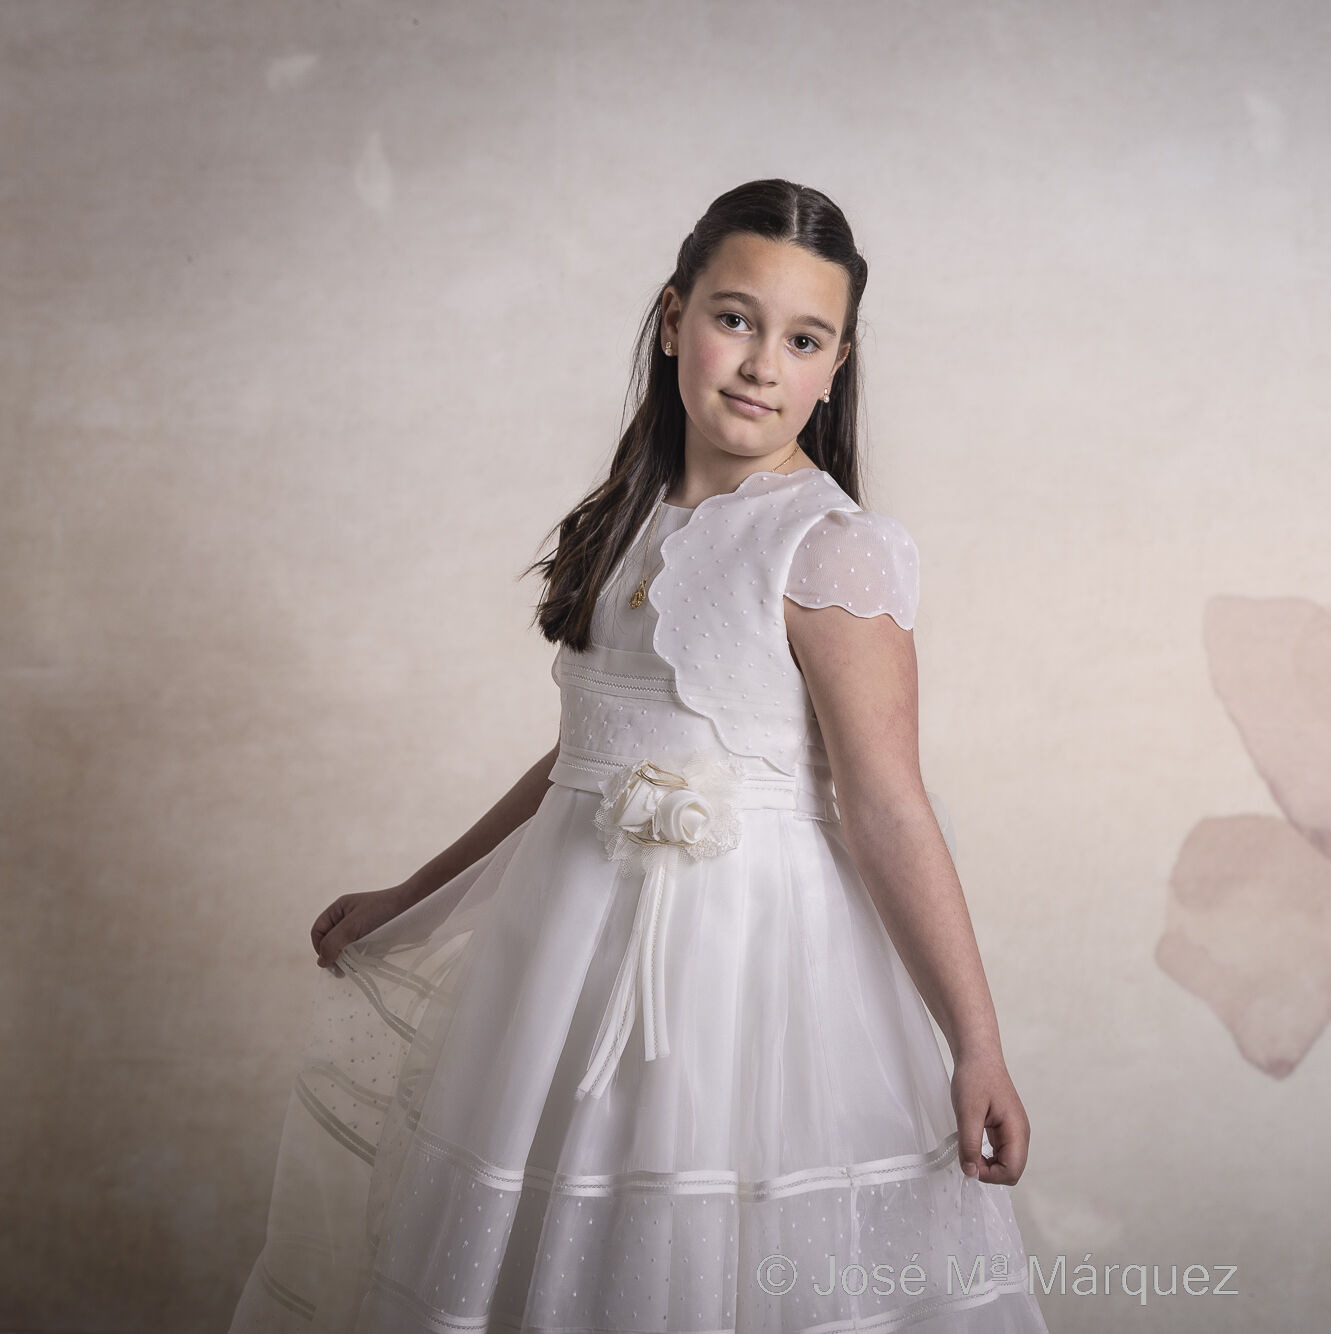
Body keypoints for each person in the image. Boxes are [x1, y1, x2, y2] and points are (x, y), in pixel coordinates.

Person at [229, 179, 1049, 1333]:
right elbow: (584, 754)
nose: (762, 362)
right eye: (734, 318)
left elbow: (890, 804)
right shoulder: (627, 517)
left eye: (802, 339)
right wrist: (412, 894)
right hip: (563, 957)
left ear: (835, 365)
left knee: (698, 1244)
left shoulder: (829, 549)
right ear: (672, 319)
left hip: (739, 973)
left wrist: (976, 1042)